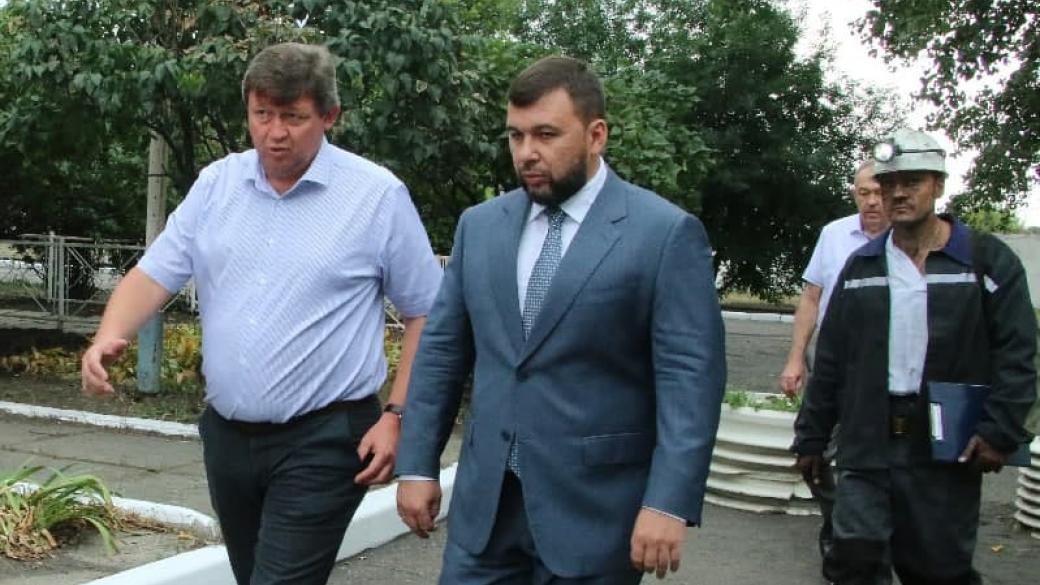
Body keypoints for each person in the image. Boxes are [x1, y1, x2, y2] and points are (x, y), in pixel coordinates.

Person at [80, 43, 442, 585]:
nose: (275, 133)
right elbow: (153, 274)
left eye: (294, 117)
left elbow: (426, 312)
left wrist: (397, 415)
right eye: (262, 114)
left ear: (329, 116)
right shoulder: (217, 185)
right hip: (227, 437)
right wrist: (107, 337)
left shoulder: (376, 196)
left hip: (324, 437)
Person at [394, 55, 727, 584]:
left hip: (596, 516)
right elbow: (441, 353)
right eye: (516, 136)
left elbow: (691, 379)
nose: (527, 152)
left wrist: (668, 501)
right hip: (486, 512)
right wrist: (416, 463)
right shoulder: (480, 227)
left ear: (596, 135)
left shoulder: (662, 234)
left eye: (546, 135)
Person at [793, 128, 1037, 584]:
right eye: (888, 184)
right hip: (867, 439)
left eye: (912, 182)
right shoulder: (863, 267)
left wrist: (999, 431)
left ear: (938, 185)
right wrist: (811, 437)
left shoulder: (983, 261)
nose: (897, 194)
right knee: (853, 559)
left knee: (937, 568)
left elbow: (1018, 353)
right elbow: (831, 360)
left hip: (942, 446)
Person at [779, 160, 887, 580]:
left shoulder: (907, 238)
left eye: (878, 192)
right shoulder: (835, 235)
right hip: (831, 362)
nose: (872, 201)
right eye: (863, 193)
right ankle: (840, 526)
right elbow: (811, 298)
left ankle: (859, 540)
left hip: (883, 366)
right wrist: (795, 358)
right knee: (814, 451)